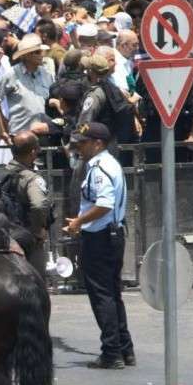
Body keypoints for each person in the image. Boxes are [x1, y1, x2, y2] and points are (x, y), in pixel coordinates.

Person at [62, 122, 134, 369]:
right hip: (111, 234)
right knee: (113, 294)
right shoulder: (109, 164)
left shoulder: (100, 168)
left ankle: (112, 352)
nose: (79, 148)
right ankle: (125, 349)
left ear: (97, 143)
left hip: (100, 237)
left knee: (102, 295)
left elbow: (104, 204)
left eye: (83, 143)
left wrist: (79, 222)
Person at [0, 131, 51, 277]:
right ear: (33, 152)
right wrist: (37, 230)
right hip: (27, 239)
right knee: (36, 282)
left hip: (2, 236)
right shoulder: (31, 178)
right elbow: (39, 205)